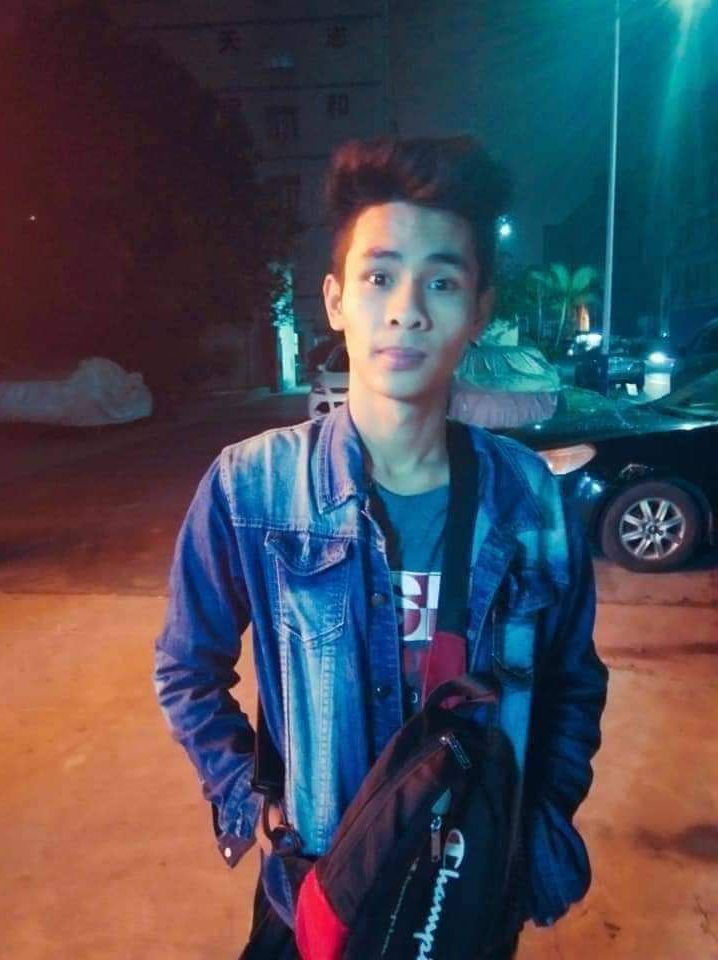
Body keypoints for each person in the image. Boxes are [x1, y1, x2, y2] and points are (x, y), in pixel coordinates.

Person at [155, 136, 609, 958]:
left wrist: (535, 825)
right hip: (316, 895)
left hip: (466, 897)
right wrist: (250, 799)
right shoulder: (252, 488)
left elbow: (572, 683)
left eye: (441, 281)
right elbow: (187, 668)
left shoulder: (528, 500)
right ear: (335, 299)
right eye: (379, 276)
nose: (407, 308)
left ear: (479, 309)